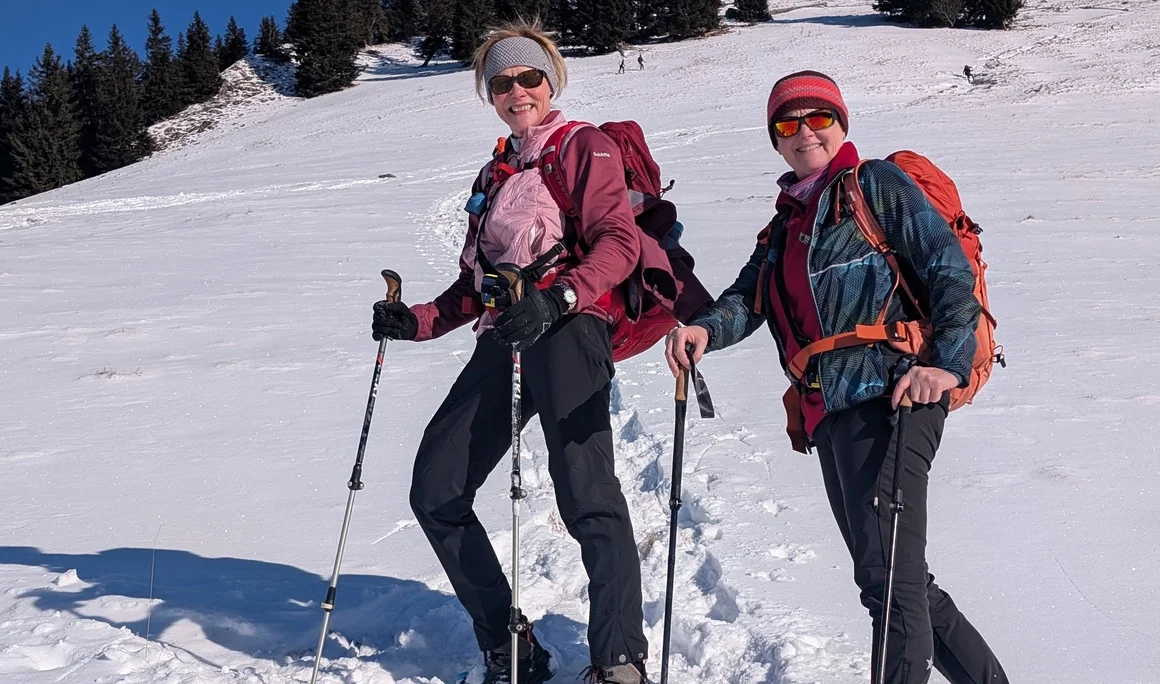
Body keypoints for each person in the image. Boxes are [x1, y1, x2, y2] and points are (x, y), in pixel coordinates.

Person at [664, 71, 1008, 684]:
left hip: (897, 391)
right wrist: (704, 331)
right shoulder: (782, 227)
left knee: (889, 582)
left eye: (818, 117)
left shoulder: (874, 184)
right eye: (787, 124)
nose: (804, 133)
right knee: (898, 580)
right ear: (775, 140)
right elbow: (749, 299)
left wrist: (945, 365)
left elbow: (947, 272)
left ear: (841, 124)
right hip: (829, 410)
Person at [371, 21, 652, 684]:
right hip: (504, 338)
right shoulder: (497, 170)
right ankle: (511, 648)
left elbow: (619, 242)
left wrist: (559, 300)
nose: (517, 90)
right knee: (437, 491)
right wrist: (412, 321)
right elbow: (474, 287)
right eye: (502, 81)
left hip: (569, 331)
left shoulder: (586, 146)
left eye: (529, 77)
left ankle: (619, 660)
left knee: (587, 494)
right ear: (489, 92)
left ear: (549, 81)